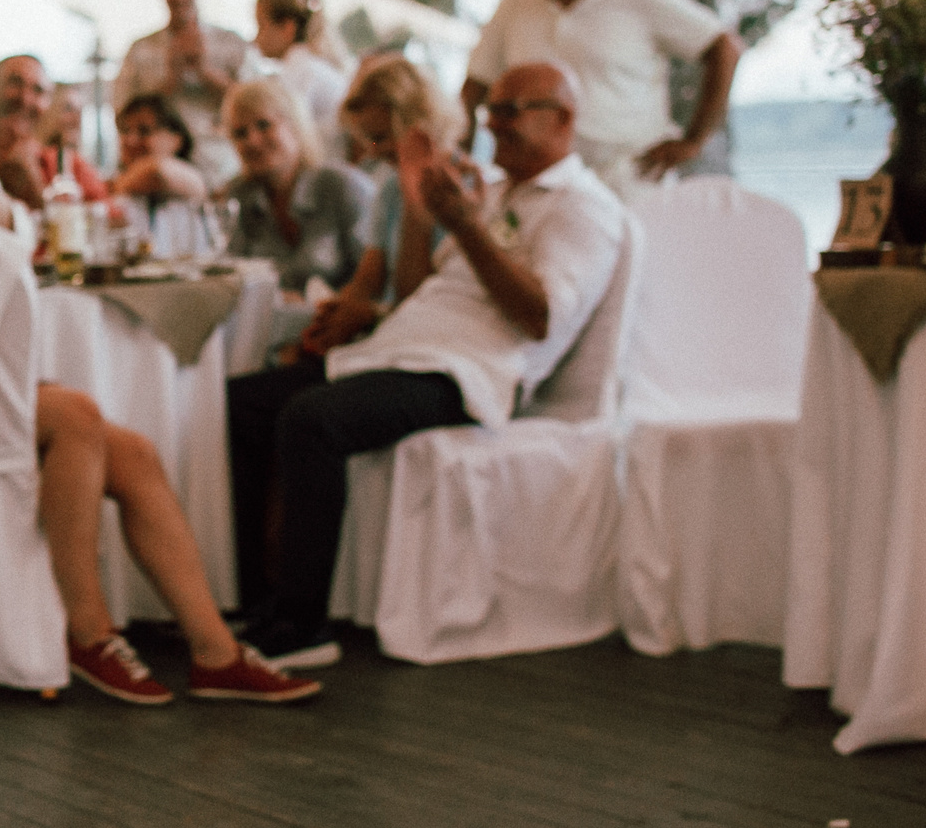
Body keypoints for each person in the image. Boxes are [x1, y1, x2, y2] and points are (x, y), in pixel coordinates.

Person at [0, 47, 309, 709]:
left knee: (133, 451)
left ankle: (215, 649)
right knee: (76, 416)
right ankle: (89, 630)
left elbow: (23, 246)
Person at [226, 61, 627, 668]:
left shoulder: (584, 207)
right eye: (492, 110)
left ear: (564, 119)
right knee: (240, 405)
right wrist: (422, 208)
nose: (495, 123)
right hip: (400, 349)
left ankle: (302, 625)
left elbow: (541, 317)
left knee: (312, 421)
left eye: (513, 111)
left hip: (467, 373)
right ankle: (252, 601)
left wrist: (466, 226)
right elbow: (416, 288)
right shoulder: (490, 191)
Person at [464, 0, 741, 189]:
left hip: (630, 182)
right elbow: (474, 87)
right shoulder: (515, 3)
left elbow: (724, 47)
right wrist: (459, 158)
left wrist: (694, 141)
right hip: (542, 187)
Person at [297, 55, 471, 360]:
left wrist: (369, 314)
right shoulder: (390, 189)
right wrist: (336, 314)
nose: (371, 152)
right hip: (385, 331)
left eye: (380, 138)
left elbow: (419, 299)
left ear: (418, 123)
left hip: (426, 346)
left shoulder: (464, 189)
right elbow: (366, 280)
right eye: (366, 139)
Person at [220, 77, 374, 297]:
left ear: (295, 123)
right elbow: (231, 283)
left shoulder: (344, 187)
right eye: (240, 134)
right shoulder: (239, 197)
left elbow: (379, 284)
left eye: (264, 125)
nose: (252, 141)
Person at [114, 0, 251, 187]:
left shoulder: (231, 43)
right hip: (162, 171)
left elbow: (254, 105)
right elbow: (121, 116)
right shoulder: (140, 50)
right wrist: (170, 81)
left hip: (223, 166)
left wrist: (205, 73)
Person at [0, 52, 104, 210]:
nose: (25, 99)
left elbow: (112, 217)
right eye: (15, 83)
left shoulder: (70, 168)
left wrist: (36, 185)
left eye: (38, 90)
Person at [109, 94, 213, 257]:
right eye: (124, 130)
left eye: (144, 131)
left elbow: (157, 172)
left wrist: (113, 188)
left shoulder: (190, 176)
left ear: (176, 139)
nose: (131, 140)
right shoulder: (124, 194)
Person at [252, 0, 351, 147]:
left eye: (261, 26)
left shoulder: (301, 69)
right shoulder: (309, 64)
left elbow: (284, 131)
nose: (255, 39)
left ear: (287, 28)